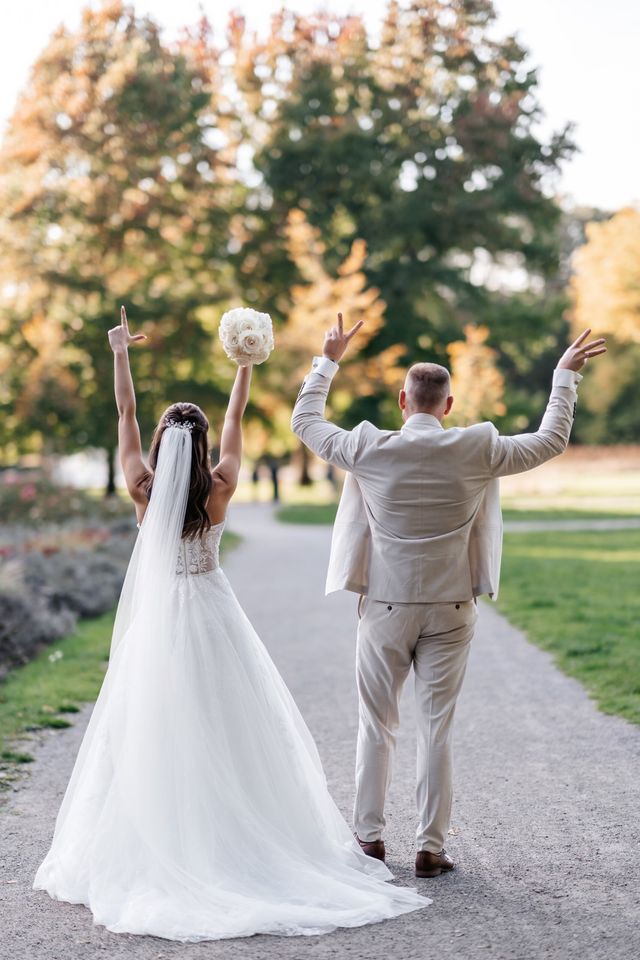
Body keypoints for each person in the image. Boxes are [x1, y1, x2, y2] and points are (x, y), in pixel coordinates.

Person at [33, 308, 429, 941]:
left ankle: (168, 831)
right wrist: (244, 367)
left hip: (163, 618)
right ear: (203, 441)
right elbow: (238, 419)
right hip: (213, 611)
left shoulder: (139, 485)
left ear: (162, 444)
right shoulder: (219, 485)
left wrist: (119, 355)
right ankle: (239, 834)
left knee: (154, 723)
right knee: (229, 724)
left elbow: (125, 416)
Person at [291, 315, 606, 879]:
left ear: (402, 400)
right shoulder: (478, 447)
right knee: (437, 726)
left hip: (385, 607)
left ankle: (368, 840)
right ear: (449, 403)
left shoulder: (366, 447)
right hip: (453, 607)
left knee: (376, 725)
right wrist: (563, 378)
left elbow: (305, 420)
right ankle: (431, 849)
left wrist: (328, 361)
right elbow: (552, 440)